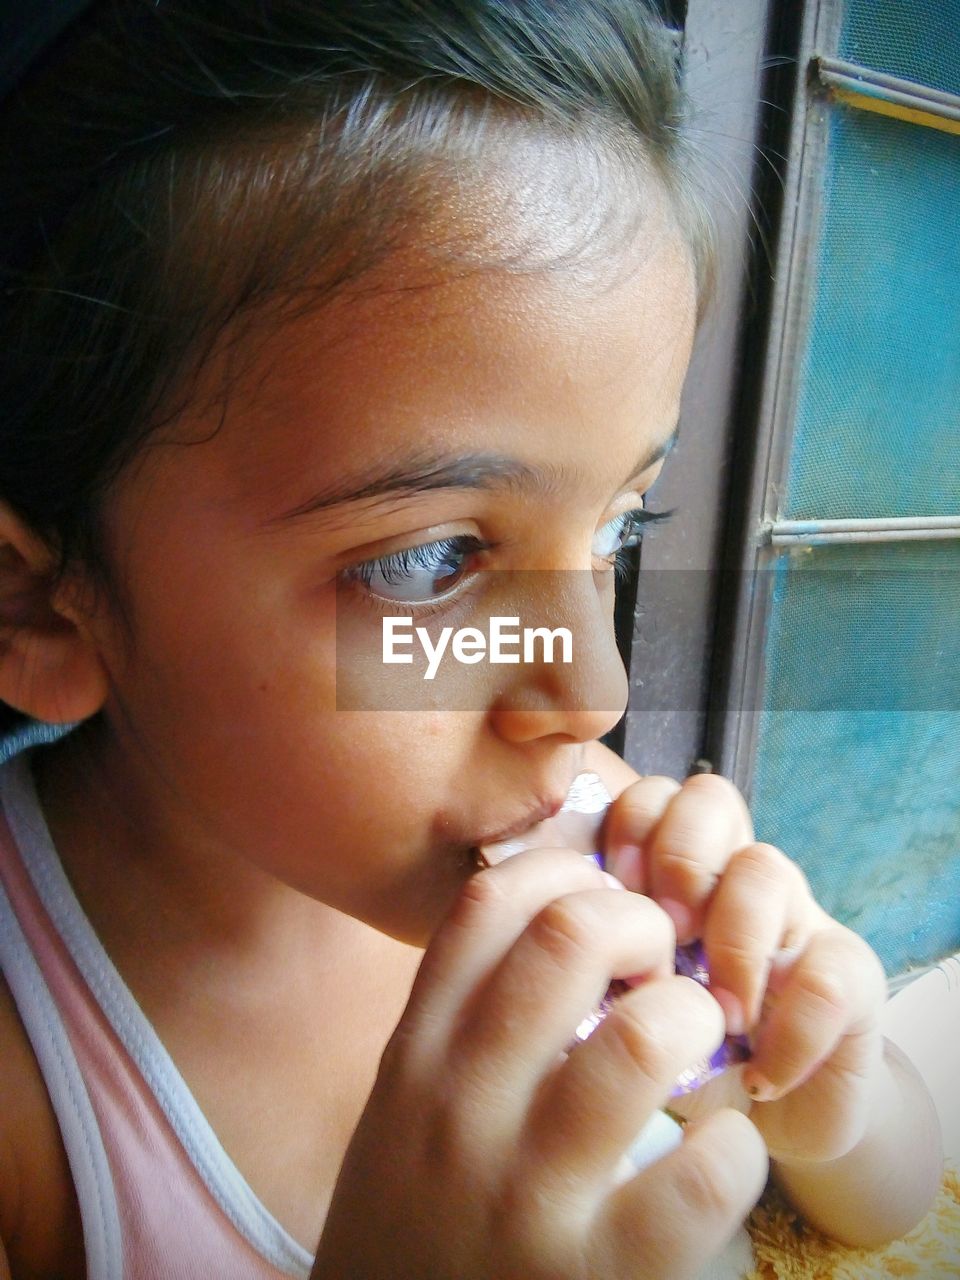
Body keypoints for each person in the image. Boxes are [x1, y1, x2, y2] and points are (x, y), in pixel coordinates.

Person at [0, 2, 942, 1277]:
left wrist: (822, 1091)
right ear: (44, 605)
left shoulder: (603, 861)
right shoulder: (30, 1081)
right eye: (428, 561)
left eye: (619, 522)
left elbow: (886, 1205)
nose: (594, 695)